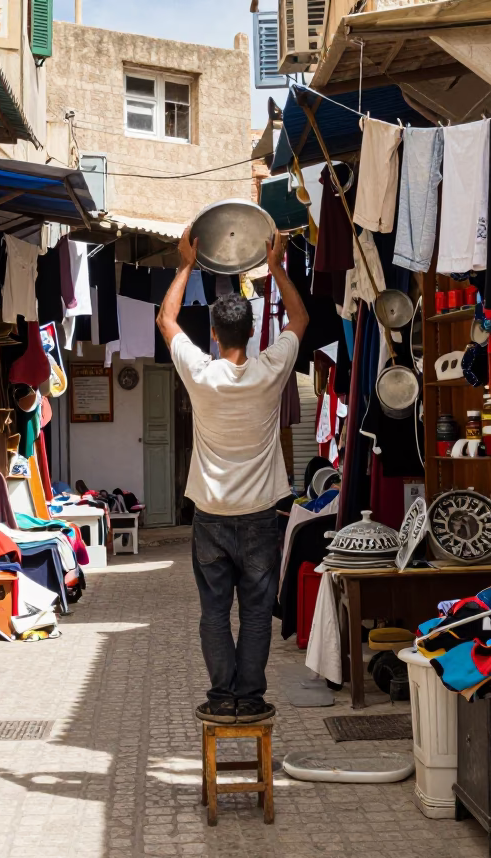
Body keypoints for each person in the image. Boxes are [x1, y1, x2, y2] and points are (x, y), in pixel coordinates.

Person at [156, 228, 309, 724]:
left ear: (216, 335)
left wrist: (186, 263)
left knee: (215, 612)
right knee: (258, 614)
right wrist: (276, 265)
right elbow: (302, 318)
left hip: (211, 518)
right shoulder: (269, 371)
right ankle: (252, 697)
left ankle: (223, 698)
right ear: (253, 331)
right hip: (263, 517)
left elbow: (166, 320)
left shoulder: (201, 373)